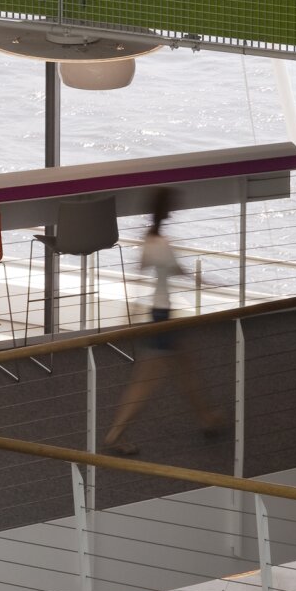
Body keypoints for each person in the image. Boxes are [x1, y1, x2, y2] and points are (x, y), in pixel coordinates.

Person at [101, 190, 225, 456]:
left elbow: (149, 274)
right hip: (161, 316)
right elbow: (178, 272)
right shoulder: (161, 242)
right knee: (146, 383)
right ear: (165, 210)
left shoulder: (150, 239)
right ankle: (115, 435)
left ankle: (206, 417)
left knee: (186, 371)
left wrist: (132, 315)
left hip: (160, 315)